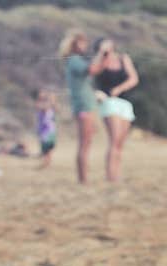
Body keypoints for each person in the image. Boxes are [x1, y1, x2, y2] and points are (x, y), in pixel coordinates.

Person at [91, 38, 139, 182]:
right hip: (109, 102)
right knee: (114, 140)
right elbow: (92, 72)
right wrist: (101, 54)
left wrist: (119, 89)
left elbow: (134, 78)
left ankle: (116, 175)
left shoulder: (123, 59)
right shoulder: (99, 61)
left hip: (125, 102)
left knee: (120, 143)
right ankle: (110, 176)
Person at [60, 30, 99, 184]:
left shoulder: (75, 60)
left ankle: (84, 177)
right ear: (75, 44)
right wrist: (102, 53)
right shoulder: (75, 60)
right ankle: (83, 179)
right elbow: (92, 69)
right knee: (84, 142)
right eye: (82, 42)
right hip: (83, 106)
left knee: (87, 142)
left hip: (85, 105)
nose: (85, 45)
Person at [34, 89, 58, 170]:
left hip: (50, 130)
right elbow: (42, 108)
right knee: (45, 148)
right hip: (43, 131)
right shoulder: (41, 105)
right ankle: (45, 162)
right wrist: (50, 100)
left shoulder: (51, 106)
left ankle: (47, 163)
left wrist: (53, 100)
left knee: (49, 147)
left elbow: (56, 108)